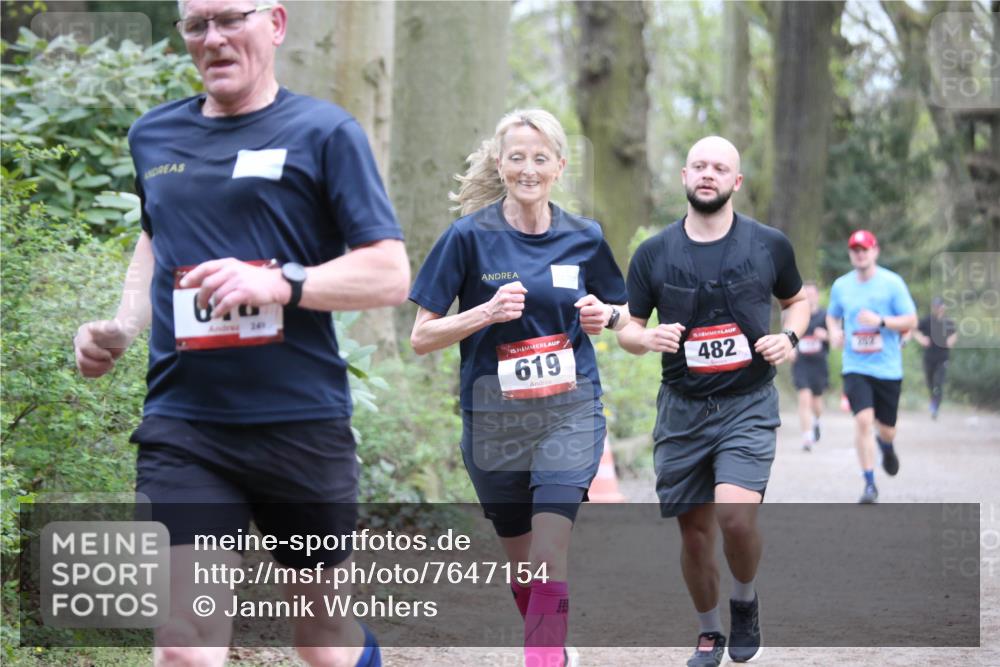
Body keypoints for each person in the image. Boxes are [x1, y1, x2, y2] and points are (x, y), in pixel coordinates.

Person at [73, 2, 409, 666]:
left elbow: (389, 272)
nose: (214, 38)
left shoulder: (325, 132)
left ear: (276, 24)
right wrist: (123, 323)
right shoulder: (154, 135)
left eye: (230, 18)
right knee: (183, 643)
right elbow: (155, 236)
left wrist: (284, 282)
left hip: (300, 423)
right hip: (185, 427)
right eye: (197, 25)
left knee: (322, 641)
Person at [409, 109, 629, 667]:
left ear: (558, 166)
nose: (527, 169)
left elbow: (620, 309)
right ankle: (549, 641)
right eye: (516, 158)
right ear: (500, 163)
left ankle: (543, 659)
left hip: (568, 412)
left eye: (539, 158)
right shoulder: (466, 238)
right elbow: (421, 337)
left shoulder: (585, 236)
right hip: (494, 421)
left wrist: (607, 315)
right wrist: (482, 313)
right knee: (524, 563)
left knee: (549, 549)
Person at [616, 136, 808, 667]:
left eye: (720, 168)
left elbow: (797, 301)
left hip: (747, 402)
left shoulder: (769, 244)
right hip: (681, 406)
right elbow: (627, 328)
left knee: (736, 519)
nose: (708, 174)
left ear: (736, 182)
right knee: (695, 534)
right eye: (699, 165)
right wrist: (644, 339)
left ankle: (744, 601)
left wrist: (788, 339)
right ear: (683, 175)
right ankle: (708, 632)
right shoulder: (654, 253)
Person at [826, 230, 917, 504]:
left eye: (865, 249)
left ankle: (887, 446)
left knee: (886, 428)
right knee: (863, 421)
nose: (860, 254)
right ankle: (869, 484)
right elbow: (832, 317)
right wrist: (833, 333)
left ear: (875, 251)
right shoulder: (841, 286)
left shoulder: (892, 283)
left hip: (888, 369)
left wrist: (880, 321)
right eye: (855, 249)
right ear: (850, 254)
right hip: (855, 365)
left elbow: (911, 320)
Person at [790, 282, 830, 451]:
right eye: (806, 294)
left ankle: (816, 422)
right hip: (801, 364)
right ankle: (807, 438)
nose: (810, 297)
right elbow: (789, 334)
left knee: (817, 403)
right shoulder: (797, 315)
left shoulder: (826, 316)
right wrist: (789, 349)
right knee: (804, 398)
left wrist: (825, 336)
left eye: (812, 294)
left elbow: (837, 337)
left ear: (817, 296)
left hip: (819, 364)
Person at [912, 296, 958, 419]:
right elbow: (914, 330)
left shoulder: (948, 322)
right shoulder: (927, 320)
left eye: (939, 306)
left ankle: (935, 407)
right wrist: (921, 339)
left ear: (943, 307)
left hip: (943, 357)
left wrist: (950, 341)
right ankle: (933, 400)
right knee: (930, 382)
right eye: (935, 306)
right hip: (929, 357)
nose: (937, 309)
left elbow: (954, 334)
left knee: (938, 382)